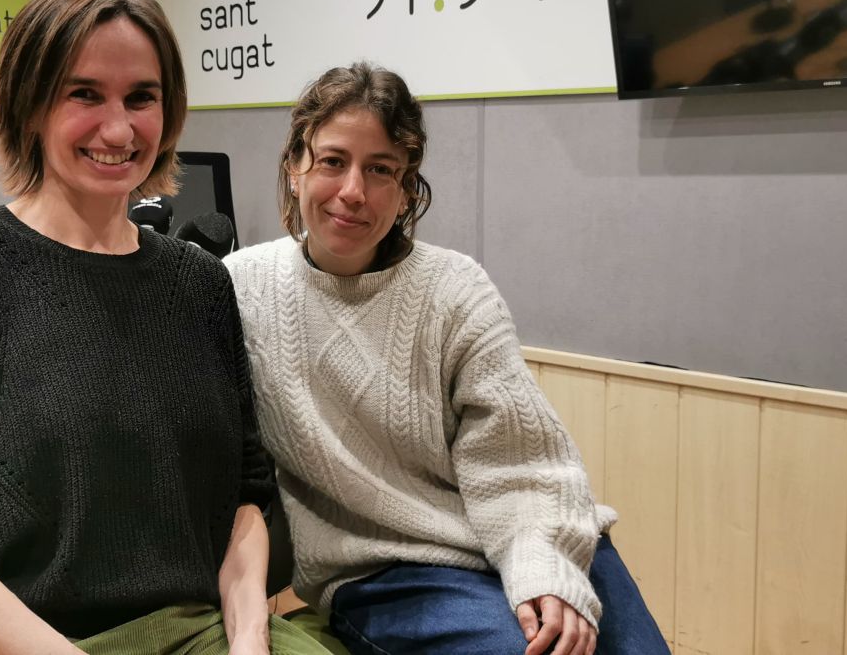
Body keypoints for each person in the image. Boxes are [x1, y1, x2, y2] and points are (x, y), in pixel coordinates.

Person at [0, 0, 335, 655]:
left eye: (141, 98)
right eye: (83, 94)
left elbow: (245, 494)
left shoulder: (199, 282)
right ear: (29, 104)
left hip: (192, 630)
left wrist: (250, 636)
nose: (118, 129)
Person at [224, 63, 669, 655]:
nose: (353, 191)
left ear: (407, 187)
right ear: (294, 166)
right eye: (332, 161)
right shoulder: (238, 289)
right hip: (389, 571)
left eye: (380, 169)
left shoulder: (456, 290)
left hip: (529, 534)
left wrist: (543, 567)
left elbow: (522, 461)